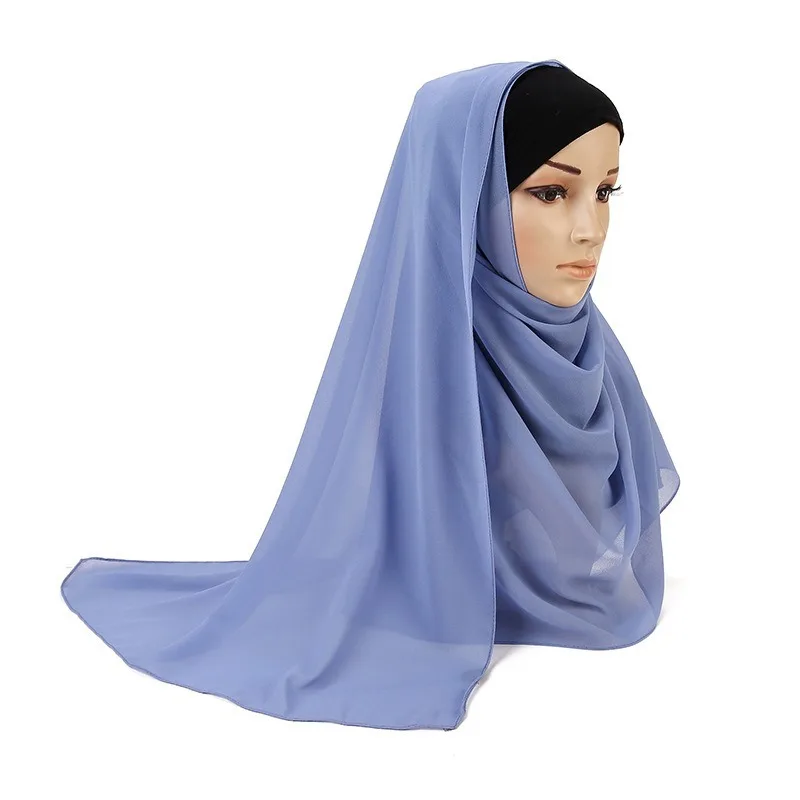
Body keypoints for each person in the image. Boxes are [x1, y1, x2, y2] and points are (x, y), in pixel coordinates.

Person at [60, 59, 680, 731]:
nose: (591, 229)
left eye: (606, 191)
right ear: (467, 196)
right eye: (551, 192)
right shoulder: (429, 373)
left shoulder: (591, 358)